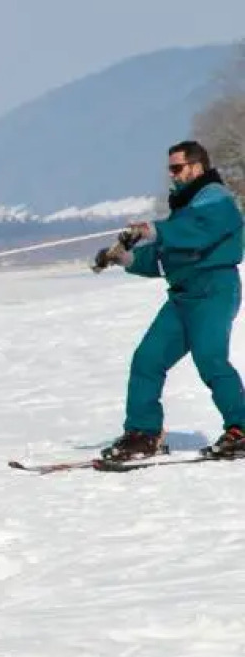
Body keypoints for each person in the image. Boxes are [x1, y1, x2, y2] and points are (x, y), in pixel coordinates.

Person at [95, 139, 245, 461]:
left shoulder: (216, 199)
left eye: (178, 168)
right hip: (182, 296)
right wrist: (126, 259)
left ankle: (241, 428)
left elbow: (198, 231)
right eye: (170, 170)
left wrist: (156, 230)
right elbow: (168, 257)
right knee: (147, 360)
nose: (173, 175)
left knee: (210, 359)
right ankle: (143, 433)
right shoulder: (185, 209)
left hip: (214, 290)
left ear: (197, 167)